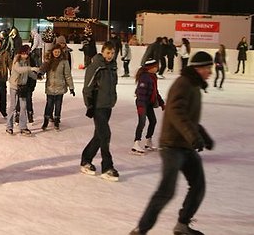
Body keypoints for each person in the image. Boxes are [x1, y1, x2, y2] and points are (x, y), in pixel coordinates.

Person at [130, 51, 215, 235]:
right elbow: (176, 112)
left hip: (185, 145)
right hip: (172, 145)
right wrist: (193, 136)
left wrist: (202, 134)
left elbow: (188, 117)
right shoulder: (183, 84)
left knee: (198, 185)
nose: (210, 72)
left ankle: (182, 225)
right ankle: (141, 230)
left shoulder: (193, 85)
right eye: (208, 68)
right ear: (198, 68)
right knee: (166, 190)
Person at [80, 41, 119, 182]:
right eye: (108, 52)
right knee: (105, 135)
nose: (110, 55)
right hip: (97, 106)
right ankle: (107, 167)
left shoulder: (113, 67)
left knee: (99, 136)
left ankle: (86, 160)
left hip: (107, 105)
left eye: (112, 53)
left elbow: (113, 86)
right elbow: (87, 88)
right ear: (102, 52)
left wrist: (113, 99)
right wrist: (89, 105)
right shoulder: (96, 66)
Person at [131, 59, 165, 155]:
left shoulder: (153, 77)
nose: (157, 68)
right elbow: (140, 93)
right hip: (142, 103)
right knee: (142, 122)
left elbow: (155, 92)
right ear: (150, 68)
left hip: (148, 103)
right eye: (155, 66)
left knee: (153, 121)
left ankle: (148, 141)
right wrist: (141, 107)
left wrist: (162, 103)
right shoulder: (144, 78)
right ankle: (136, 143)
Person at [6, 45, 39, 135]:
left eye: (27, 54)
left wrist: (36, 75)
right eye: (23, 53)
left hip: (23, 87)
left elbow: (28, 73)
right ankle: (9, 126)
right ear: (20, 53)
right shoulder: (16, 61)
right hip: (14, 86)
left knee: (23, 107)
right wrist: (31, 68)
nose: (25, 55)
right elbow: (19, 70)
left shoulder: (27, 62)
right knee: (13, 106)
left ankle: (23, 127)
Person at [40, 44, 75, 131]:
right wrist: (39, 73)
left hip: (60, 87)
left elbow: (68, 75)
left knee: (58, 105)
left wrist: (71, 87)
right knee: (49, 105)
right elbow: (42, 69)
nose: (57, 53)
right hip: (50, 87)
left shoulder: (64, 62)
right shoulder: (48, 61)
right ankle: (46, 121)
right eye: (55, 52)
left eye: (58, 52)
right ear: (52, 52)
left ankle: (56, 121)